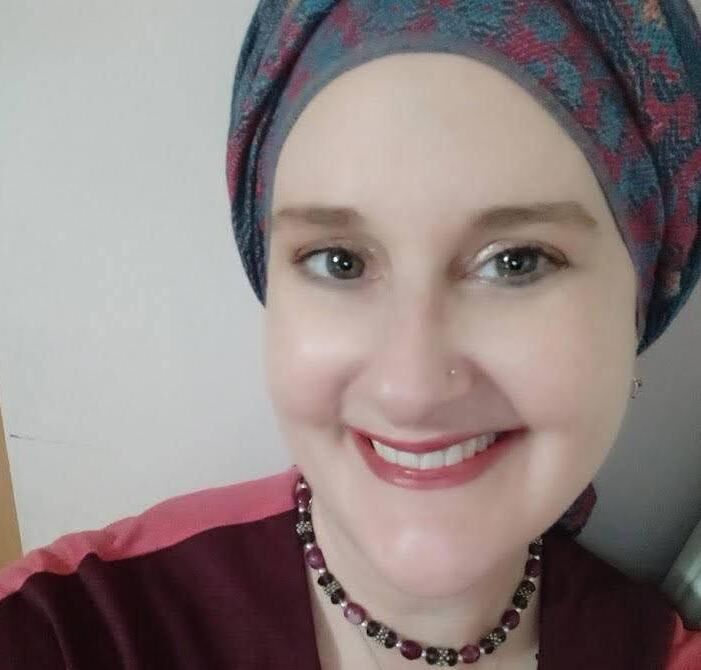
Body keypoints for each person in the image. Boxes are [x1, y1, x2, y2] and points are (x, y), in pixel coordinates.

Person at [1, 0, 701, 668]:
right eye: (339, 261)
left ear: (638, 305)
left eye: (516, 261)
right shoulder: (72, 632)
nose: (410, 387)